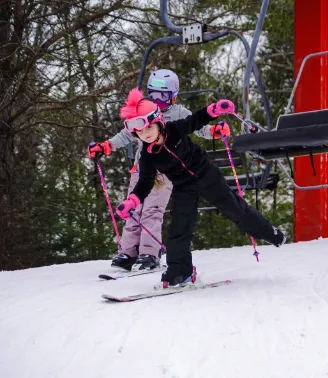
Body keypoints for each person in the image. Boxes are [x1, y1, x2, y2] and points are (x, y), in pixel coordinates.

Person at [115, 88, 286, 288]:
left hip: (207, 175)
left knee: (237, 211)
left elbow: (196, 119)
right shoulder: (147, 155)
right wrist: (132, 201)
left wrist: (215, 109)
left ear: (158, 123)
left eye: (147, 129)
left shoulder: (175, 129)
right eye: (139, 132)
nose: (144, 135)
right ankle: (180, 272)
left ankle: (271, 232)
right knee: (179, 229)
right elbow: (145, 182)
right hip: (183, 187)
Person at [88, 69, 215, 272]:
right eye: (154, 95)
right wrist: (106, 146)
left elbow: (198, 127)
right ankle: (128, 252)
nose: (158, 101)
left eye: (163, 96)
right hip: (141, 168)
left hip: (165, 171)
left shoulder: (180, 113)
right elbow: (126, 134)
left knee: (152, 211)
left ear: (173, 95)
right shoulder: (144, 112)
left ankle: (149, 252)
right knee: (133, 209)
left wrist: (213, 131)